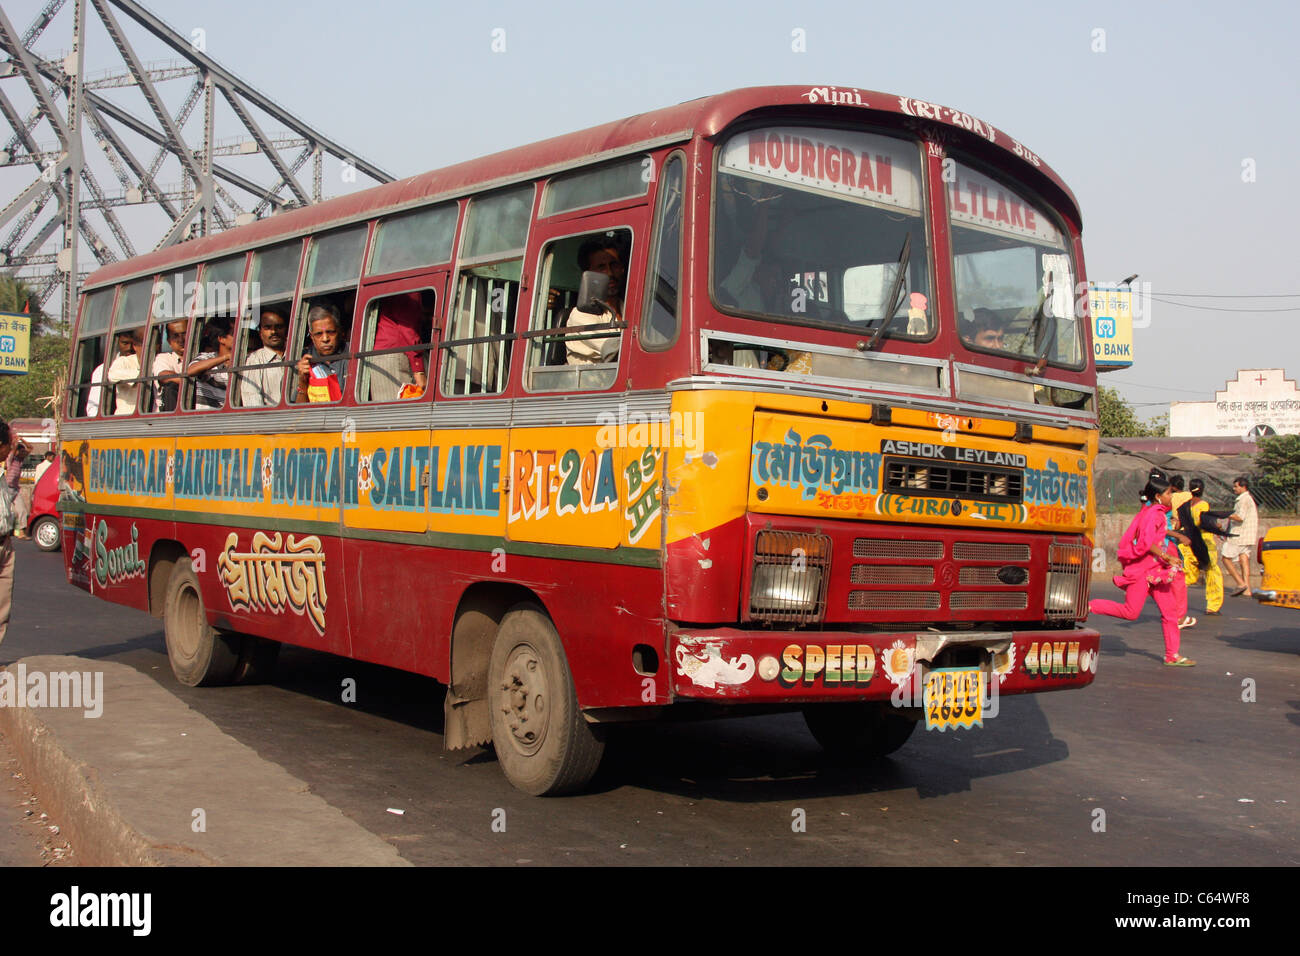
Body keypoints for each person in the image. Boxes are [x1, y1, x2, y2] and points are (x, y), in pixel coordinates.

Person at [1088, 470, 1195, 666]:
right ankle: (1088, 606)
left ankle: (1172, 655)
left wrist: (1167, 556)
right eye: (1169, 493)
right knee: (1131, 612)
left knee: (1170, 613)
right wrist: (1167, 556)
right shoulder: (1153, 514)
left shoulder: (1158, 514)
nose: (1171, 497)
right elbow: (1145, 543)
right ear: (1158, 496)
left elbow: (1156, 539)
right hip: (1144, 571)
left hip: (1157, 571)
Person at [565, 238, 625, 365]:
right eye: (601, 267)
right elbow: (620, 352)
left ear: (622, 269)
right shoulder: (581, 314)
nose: (609, 273)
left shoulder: (630, 308)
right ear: (588, 276)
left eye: (614, 265)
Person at [369, 294, 427, 401]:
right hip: (394, 357)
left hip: (382, 357)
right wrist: (419, 369)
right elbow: (408, 328)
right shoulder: (410, 285)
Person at [1179, 478, 1224, 616]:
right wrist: (1218, 527)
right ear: (1202, 489)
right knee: (1212, 572)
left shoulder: (1186, 506)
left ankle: (1174, 596)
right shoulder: (1203, 505)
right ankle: (1213, 605)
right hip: (1204, 542)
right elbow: (1204, 522)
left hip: (1189, 542)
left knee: (1189, 575)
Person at [0, 423, 27, 646]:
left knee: (2, 604)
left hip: (5, 543)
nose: (11, 449)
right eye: (9, 445)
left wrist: (17, 459)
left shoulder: (4, 473)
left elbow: (10, 488)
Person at [294, 304, 348, 403]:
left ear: (339, 331)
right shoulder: (304, 360)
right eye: (319, 334)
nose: (325, 339)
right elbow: (298, 413)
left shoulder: (352, 353)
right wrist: (302, 382)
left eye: (331, 332)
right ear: (311, 336)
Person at [239, 309, 289, 407]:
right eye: (267, 327)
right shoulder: (254, 360)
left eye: (279, 327)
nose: (274, 331)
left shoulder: (296, 356)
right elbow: (252, 401)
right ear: (260, 333)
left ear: (286, 330)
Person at [187, 318, 235, 410]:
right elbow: (191, 370)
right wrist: (226, 357)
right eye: (234, 334)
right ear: (221, 339)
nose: (239, 337)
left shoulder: (243, 360)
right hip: (208, 417)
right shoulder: (207, 358)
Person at [1223, 476, 1259, 597]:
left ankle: (1240, 583)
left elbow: (1240, 517)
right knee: (1244, 559)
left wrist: (1227, 514)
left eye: (1236, 486)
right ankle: (1247, 588)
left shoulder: (1243, 500)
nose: (1234, 489)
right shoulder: (1248, 498)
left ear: (1243, 487)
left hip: (1239, 535)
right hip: (1248, 534)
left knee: (1225, 558)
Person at [151, 320, 189, 412]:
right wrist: (193, 382)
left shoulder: (201, 357)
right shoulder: (163, 358)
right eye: (175, 336)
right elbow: (164, 376)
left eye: (184, 334)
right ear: (169, 341)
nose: (181, 340)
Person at [106, 328, 144, 416]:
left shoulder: (158, 361)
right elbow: (112, 375)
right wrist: (137, 377)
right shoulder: (123, 362)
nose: (129, 348)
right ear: (136, 346)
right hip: (126, 418)